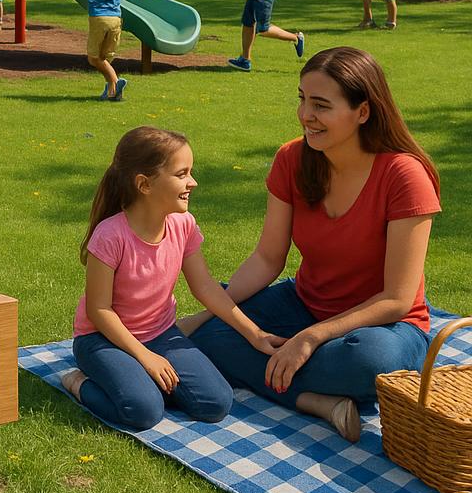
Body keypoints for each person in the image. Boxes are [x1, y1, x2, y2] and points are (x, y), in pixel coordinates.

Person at [182, 47, 440, 444]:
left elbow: (397, 299)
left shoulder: (404, 176)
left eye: (321, 105)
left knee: (371, 362)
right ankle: (316, 400)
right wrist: (212, 312)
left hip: (383, 326)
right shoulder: (292, 159)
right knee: (215, 336)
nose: (306, 115)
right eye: (302, 99)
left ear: (363, 112)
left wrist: (310, 338)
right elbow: (268, 259)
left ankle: (311, 377)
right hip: (304, 303)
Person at [61, 127, 284, 431]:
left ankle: (137, 379)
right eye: (182, 174)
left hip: (160, 333)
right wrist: (146, 358)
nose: (193, 182)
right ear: (144, 184)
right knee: (144, 411)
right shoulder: (111, 236)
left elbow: (205, 286)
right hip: (101, 339)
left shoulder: (183, 225)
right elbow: (98, 311)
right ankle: (78, 382)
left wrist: (254, 333)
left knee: (216, 402)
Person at [57, 0, 140, 102]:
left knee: (94, 58)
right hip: (116, 19)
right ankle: (111, 92)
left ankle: (116, 82)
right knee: (106, 57)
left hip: (99, 18)